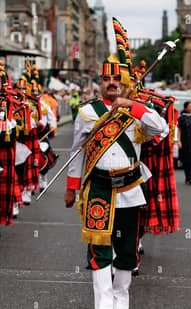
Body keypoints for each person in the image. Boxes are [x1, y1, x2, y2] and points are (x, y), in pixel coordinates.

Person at [64, 58, 169, 309]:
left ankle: (121, 300)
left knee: (126, 250)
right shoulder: (88, 113)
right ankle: (103, 304)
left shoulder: (138, 110)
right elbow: (76, 152)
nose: (111, 83)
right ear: (100, 83)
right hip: (98, 187)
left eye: (116, 79)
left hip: (130, 189)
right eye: (106, 79)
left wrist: (132, 105)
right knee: (99, 250)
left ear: (124, 83)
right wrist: (71, 187)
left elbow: (162, 128)